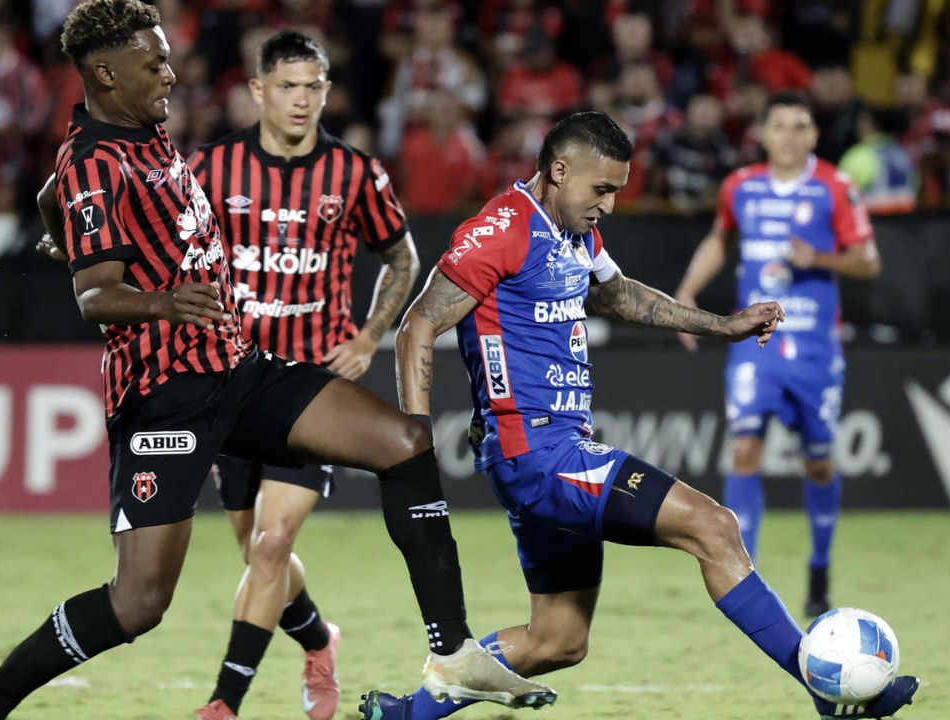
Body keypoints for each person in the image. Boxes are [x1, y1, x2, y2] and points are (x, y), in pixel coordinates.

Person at [0, 3, 553, 719]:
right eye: (154, 63)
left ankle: (451, 655)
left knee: (405, 442)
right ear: (106, 73)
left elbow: (53, 200)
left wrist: (63, 237)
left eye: (167, 58)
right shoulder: (94, 162)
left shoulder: (143, 131)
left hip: (239, 366)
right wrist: (163, 301)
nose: (171, 74)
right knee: (137, 604)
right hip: (163, 396)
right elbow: (95, 297)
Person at [360, 110, 918, 720]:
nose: (610, 204)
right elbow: (419, 323)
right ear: (558, 169)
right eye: (601, 189)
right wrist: (414, 446)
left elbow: (620, 294)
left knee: (559, 641)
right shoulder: (501, 228)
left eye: (617, 191)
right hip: (542, 457)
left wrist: (721, 326)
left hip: (552, 455)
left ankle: (402, 714)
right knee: (715, 527)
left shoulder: (575, 235)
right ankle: (820, 687)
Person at [183, 30, 421, 720]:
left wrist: (371, 335)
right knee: (257, 555)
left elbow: (402, 258)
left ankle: (224, 704)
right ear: (257, 91)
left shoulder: (353, 174)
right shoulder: (210, 169)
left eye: (313, 87)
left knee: (272, 542)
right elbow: (160, 240)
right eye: (286, 86)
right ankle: (320, 641)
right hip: (230, 381)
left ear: (327, 91)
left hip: (310, 391)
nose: (301, 100)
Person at [674, 92, 883, 617]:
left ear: (813, 136)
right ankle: (742, 576)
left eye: (801, 126)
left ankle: (819, 565)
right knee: (745, 448)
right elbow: (721, 238)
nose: (790, 136)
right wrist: (687, 292)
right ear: (764, 134)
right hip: (756, 343)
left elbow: (869, 262)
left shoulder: (835, 186)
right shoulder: (740, 187)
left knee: (818, 461)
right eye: (781, 126)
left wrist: (820, 258)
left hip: (814, 346)